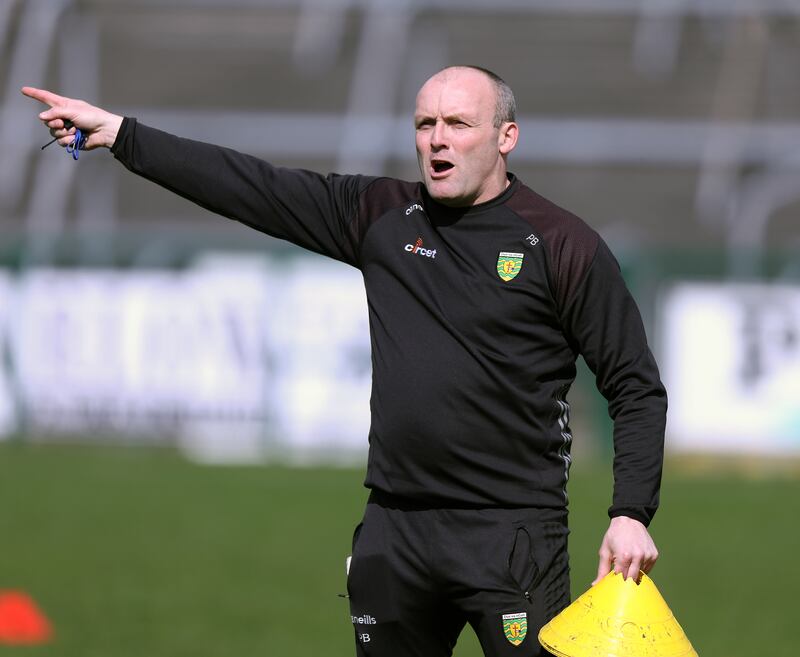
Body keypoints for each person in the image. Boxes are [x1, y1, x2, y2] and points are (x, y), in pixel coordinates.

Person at [23, 65, 666, 657]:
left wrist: (630, 512)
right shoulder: (383, 216)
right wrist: (120, 135)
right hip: (395, 531)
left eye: (458, 124)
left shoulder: (561, 244)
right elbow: (253, 188)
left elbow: (634, 386)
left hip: (511, 537)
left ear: (506, 137)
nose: (437, 139)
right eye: (425, 124)